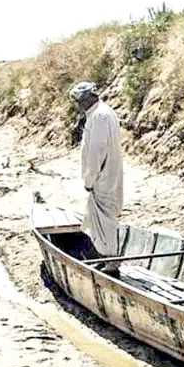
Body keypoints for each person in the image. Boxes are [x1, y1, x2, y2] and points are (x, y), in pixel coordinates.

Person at [69, 81, 124, 277]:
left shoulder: (99, 116)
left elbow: (96, 153)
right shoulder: (101, 113)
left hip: (103, 177)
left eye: (79, 101)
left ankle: (111, 265)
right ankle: (105, 258)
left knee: (105, 218)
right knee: (100, 218)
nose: (78, 105)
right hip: (107, 174)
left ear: (87, 99)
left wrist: (89, 180)